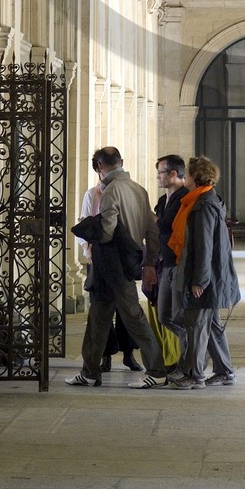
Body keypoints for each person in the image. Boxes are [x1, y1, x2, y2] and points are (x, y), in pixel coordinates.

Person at [67, 146, 167, 389]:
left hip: (112, 266)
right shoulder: (139, 190)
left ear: (99, 167)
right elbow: (152, 232)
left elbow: (107, 230)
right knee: (98, 317)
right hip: (128, 262)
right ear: (120, 161)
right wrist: (150, 262)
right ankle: (90, 372)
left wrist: (88, 230)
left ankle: (157, 370)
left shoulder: (111, 191)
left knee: (134, 317)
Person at [169, 154, 240, 390]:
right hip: (212, 275)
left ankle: (195, 375)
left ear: (195, 177)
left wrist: (199, 280)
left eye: (187, 173)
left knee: (196, 324)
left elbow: (204, 245)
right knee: (211, 325)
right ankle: (224, 370)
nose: (184, 176)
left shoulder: (203, 204)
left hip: (206, 276)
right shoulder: (204, 199)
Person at [73, 152, 142, 374]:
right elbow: (83, 225)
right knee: (101, 310)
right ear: (99, 170)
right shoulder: (91, 195)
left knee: (124, 312)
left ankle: (129, 354)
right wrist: (88, 249)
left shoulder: (123, 191)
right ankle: (105, 357)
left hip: (121, 258)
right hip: (99, 260)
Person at [153, 154, 189, 374]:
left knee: (179, 315)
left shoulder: (184, 197)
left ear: (173, 174)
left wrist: (154, 220)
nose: (158, 177)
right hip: (165, 261)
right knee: (164, 315)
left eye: (160, 173)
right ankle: (190, 353)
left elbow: (166, 225)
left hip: (178, 263)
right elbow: (160, 221)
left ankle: (188, 362)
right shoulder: (164, 199)